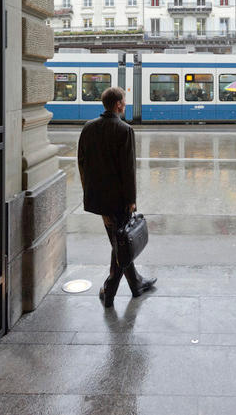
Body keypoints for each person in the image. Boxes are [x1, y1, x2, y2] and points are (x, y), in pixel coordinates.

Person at [77, 86, 156, 307]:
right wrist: (131, 200)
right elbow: (128, 170)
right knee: (120, 244)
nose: (126, 104)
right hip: (119, 200)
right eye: (124, 101)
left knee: (118, 241)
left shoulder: (88, 127)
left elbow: (82, 163)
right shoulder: (124, 130)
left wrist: (90, 194)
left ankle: (136, 284)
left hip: (99, 199)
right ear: (118, 104)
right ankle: (109, 291)